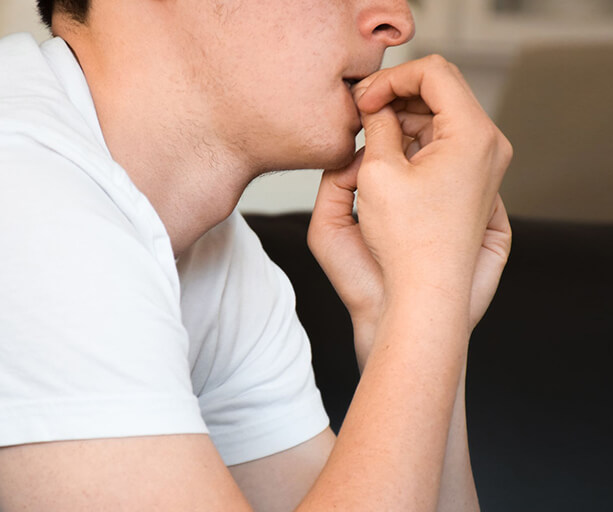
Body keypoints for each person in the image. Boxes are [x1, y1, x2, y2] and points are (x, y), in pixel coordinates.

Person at [0, 0, 512, 510]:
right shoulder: (23, 198)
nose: (397, 21)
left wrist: (408, 309)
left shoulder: (216, 254)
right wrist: (428, 286)